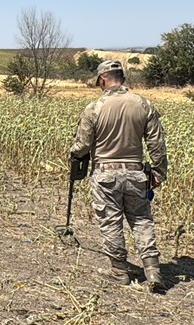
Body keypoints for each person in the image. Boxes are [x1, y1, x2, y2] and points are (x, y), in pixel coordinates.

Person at [70, 60, 169, 291]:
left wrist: (73, 154)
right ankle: (152, 270)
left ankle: (118, 271)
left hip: (106, 175)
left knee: (111, 221)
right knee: (141, 220)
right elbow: (157, 143)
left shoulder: (94, 107)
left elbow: (82, 146)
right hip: (136, 174)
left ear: (102, 80)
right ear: (123, 79)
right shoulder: (143, 104)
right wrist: (159, 172)